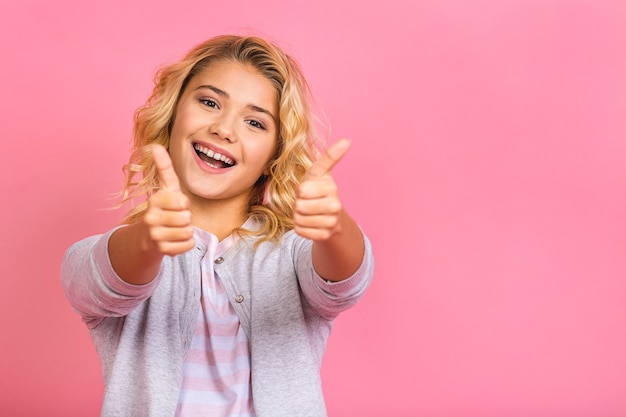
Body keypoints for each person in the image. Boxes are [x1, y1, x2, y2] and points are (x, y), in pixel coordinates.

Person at [61, 34, 374, 417]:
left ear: (273, 155)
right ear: (174, 112)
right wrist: (150, 239)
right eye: (209, 102)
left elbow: (343, 286)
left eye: (255, 122)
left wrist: (333, 227)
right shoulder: (114, 252)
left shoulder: (292, 254)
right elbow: (98, 283)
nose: (224, 129)